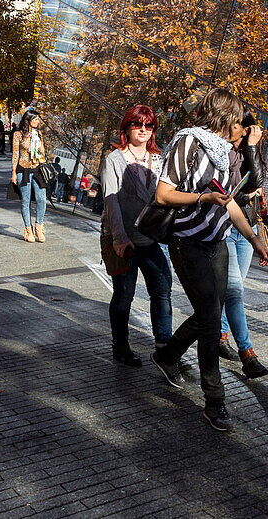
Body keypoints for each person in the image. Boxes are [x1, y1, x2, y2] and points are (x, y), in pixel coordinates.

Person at [150, 88, 268, 432]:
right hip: (187, 242)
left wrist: (255, 239)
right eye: (239, 119)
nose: (243, 127)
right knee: (209, 322)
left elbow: (231, 203)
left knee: (210, 314)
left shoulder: (226, 155)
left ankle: (167, 355)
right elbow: (163, 194)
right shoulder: (187, 142)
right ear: (224, 117)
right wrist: (204, 197)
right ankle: (215, 400)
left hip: (216, 243)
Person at [99, 104, 173, 367]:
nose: (143, 129)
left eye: (149, 125)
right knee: (124, 294)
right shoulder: (114, 159)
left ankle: (165, 347)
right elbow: (111, 203)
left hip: (152, 238)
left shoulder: (159, 159)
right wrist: (119, 239)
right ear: (127, 128)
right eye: (137, 124)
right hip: (125, 240)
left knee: (163, 290)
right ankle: (120, 345)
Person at [217, 113, 268, 378]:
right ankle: (247, 354)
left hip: (247, 227)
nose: (245, 131)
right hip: (226, 227)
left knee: (234, 290)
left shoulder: (249, 153)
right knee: (234, 290)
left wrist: (252, 147)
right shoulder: (222, 152)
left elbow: (257, 182)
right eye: (242, 127)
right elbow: (226, 192)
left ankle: (220, 336)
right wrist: (247, 193)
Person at [11, 109, 49, 243]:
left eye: (38, 119)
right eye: (36, 119)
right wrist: (14, 173)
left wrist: (41, 149)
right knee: (26, 202)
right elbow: (16, 154)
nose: (38, 121)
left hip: (37, 169)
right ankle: (28, 229)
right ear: (29, 120)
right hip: (23, 170)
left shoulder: (39, 134)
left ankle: (39, 226)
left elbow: (43, 153)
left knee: (41, 199)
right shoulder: (18, 135)